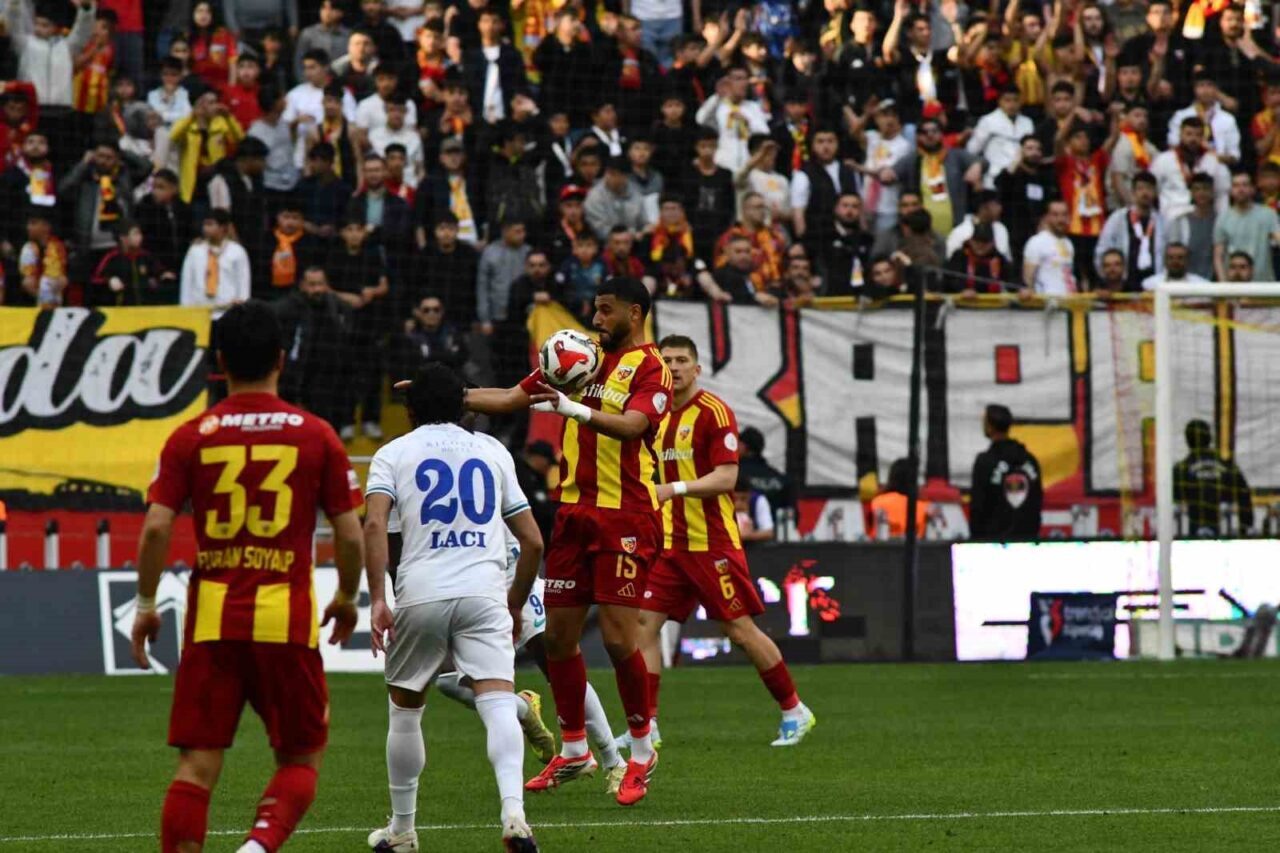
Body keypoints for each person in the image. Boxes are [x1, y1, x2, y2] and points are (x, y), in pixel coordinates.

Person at [130, 300, 365, 853]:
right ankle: (257, 847)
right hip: (286, 619)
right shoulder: (316, 435)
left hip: (212, 621)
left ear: (220, 362)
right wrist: (347, 596)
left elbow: (156, 527)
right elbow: (351, 534)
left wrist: (145, 603)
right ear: (282, 358)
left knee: (196, 765)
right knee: (301, 757)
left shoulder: (191, 435)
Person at [450, 276, 672, 806]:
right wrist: (446, 396)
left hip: (626, 516)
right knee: (557, 639)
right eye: (595, 309)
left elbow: (634, 425)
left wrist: (573, 410)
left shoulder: (652, 368)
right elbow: (511, 397)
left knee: (618, 640)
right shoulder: (579, 356)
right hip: (574, 514)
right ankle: (575, 748)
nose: (596, 319)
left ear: (634, 313)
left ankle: (642, 750)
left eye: (606, 310)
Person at [362, 361, 543, 851]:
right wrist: (514, 603)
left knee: (405, 712)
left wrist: (378, 598)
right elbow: (532, 541)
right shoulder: (493, 451)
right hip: (484, 592)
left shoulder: (392, 453)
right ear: (466, 405)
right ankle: (514, 815)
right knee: (498, 702)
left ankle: (403, 829)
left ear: (410, 410)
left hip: (421, 590)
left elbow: (375, 525)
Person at [615, 335, 814, 754]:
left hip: (712, 543)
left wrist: (673, 489)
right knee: (642, 627)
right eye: (667, 360)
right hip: (670, 545)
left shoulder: (713, 412)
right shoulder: (654, 413)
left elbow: (727, 478)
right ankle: (646, 726)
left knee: (739, 631)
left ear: (697, 368)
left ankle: (794, 710)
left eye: (682, 360)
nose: (674, 367)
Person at [274, 265, 352, 429]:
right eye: (312, 284)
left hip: (327, 381)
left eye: (320, 284)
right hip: (294, 380)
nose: (317, 289)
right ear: (302, 285)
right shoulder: (288, 307)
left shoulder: (337, 307)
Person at [969, 404, 1043, 540]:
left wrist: (977, 540)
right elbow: (1037, 504)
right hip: (1026, 542)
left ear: (990, 426)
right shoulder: (1031, 461)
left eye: (984, 421)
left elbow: (977, 508)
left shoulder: (985, 462)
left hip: (992, 543)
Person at [1173, 419, 1253, 537]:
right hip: (1224, 532)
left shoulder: (1180, 469)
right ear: (1209, 438)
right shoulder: (1228, 466)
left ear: (1187, 440)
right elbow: (1244, 494)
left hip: (1191, 533)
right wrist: (1246, 526)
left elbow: (1174, 500)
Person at [1094, 172, 1165, 291]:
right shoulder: (1117, 219)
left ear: (1155, 193)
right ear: (1133, 192)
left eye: (1149, 188)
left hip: (1154, 284)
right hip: (1124, 284)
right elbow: (1102, 251)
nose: (1145, 193)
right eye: (1140, 188)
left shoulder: (1163, 222)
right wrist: (1107, 280)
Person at [179, 209, 252, 318]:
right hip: (199, 312)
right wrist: (185, 310)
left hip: (227, 312)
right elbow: (187, 281)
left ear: (223, 227)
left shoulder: (237, 251)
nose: (205, 228)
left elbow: (243, 281)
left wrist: (242, 307)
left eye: (210, 224)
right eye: (204, 224)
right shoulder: (195, 250)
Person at [1213, 171, 1280, 283]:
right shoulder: (1222, 218)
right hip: (1234, 285)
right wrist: (1223, 285)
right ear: (1231, 191)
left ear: (1252, 189)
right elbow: (1218, 256)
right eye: (1236, 185)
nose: (1241, 189)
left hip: (1264, 284)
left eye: (1245, 185)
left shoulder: (1268, 214)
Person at [89, 220, 174, 305]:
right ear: (123, 237)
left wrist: (163, 275)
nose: (140, 237)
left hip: (145, 308)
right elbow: (95, 279)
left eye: (140, 234)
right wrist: (109, 281)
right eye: (135, 234)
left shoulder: (145, 256)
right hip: (120, 309)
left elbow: (159, 271)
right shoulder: (112, 257)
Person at [968, 87, 1035, 189]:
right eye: (1007, 100)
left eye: (1016, 100)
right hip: (994, 178)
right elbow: (972, 150)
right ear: (999, 102)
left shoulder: (1027, 122)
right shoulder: (988, 121)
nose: (1012, 104)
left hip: (1021, 177)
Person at [1166, 172, 1219, 281]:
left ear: (1212, 191)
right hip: (1187, 282)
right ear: (1191, 193)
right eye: (1197, 189)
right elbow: (1173, 254)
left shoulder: (1220, 221)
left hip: (1214, 281)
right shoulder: (1180, 222)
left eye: (1205, 188)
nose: (1201, 193)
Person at [941, 223, 1017, 294]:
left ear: (992, 243)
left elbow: (1012, 281)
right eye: (977, 241)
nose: (980, 245)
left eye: (985, 242)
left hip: (993, 301)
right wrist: (962, 290)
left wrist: (1020, 290)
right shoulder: (960, 256)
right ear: (970, 240)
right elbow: (949, 280)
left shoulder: (999, 259)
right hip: (962, 301)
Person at [1022, 199, 1077, 296]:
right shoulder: (1036, 242)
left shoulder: (1069, 243)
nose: (1060, 219)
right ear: (1047, 217)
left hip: (1069, 301)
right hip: (1048, 302)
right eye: (1055, 215)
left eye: (1064, 214)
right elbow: (1027, 280)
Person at [867, 458, 929, 540]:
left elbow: (870, 534)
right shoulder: (925, 506)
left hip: (883, 546)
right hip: (915, 546)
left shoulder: (876, 502)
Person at [1140, 242, 1209, 290]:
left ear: (1188, 260)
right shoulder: (1150, 284)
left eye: (1180, 258)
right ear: (1165, 260)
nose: (1175, 261)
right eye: (1171, 258)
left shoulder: (1201, 285)